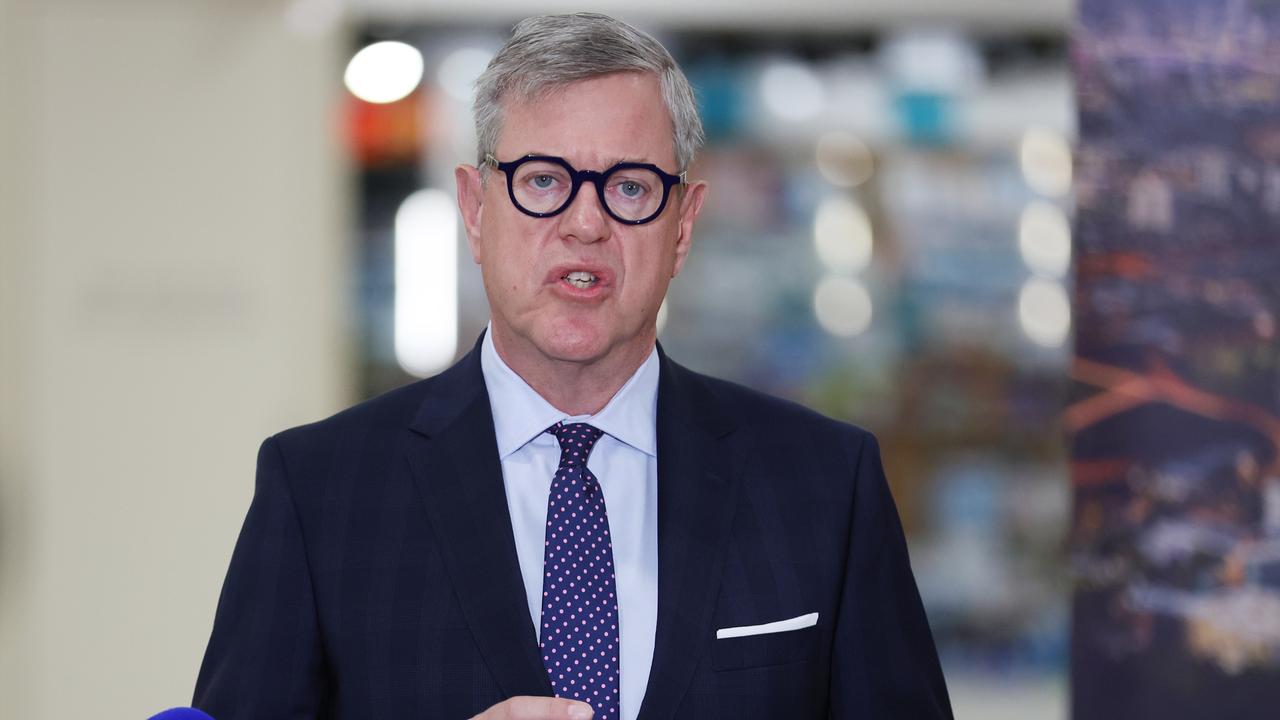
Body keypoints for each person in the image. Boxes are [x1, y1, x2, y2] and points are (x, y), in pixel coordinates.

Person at [194, 12, 952, 720]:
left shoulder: (822, 484)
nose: (585, 224)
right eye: (544, 181)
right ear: (474, 208)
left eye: (629, 187)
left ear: (683, 225)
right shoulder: (323, 490)